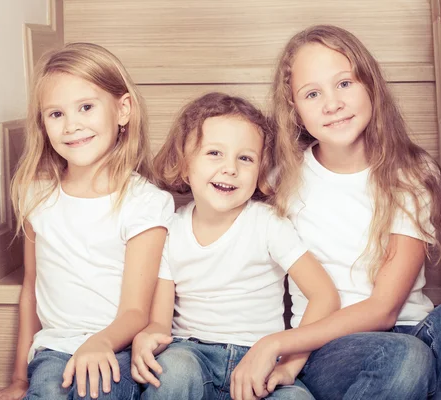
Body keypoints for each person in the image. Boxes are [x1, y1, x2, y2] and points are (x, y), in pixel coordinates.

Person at [230, 25, 441, 400]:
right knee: (403, 357)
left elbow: (385, 309)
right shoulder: (282, 177)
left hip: (408, 329)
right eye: (312, 93)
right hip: (327, 346)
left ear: (371, 85)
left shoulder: (410, 172)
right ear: (295, 110)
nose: (332, 104)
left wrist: (273, 343)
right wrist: (281, 347)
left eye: (345, 84)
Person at [0, 42, 174, 400]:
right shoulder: (35, 196)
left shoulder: (145, 202)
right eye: (56, 114)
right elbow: (31, 288)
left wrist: (99, 343)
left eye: (85, 107)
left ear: (123, 110)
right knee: (50, 391)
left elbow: (135, 310)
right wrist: (19, 381)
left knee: (97, 392)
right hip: (55, 348)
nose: (72, 126)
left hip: (117, 348)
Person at [131, 92, 339, 400]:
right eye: (214, 153)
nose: (230, 168)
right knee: (173, 370)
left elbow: (325, 296)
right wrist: (147, 338)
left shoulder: (268, 223)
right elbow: (160, 323)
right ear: (184, 165)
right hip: (191, 354)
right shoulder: (170, 230)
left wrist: (289, 365)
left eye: (245, 158)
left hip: (258, 360)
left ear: (260, 171)